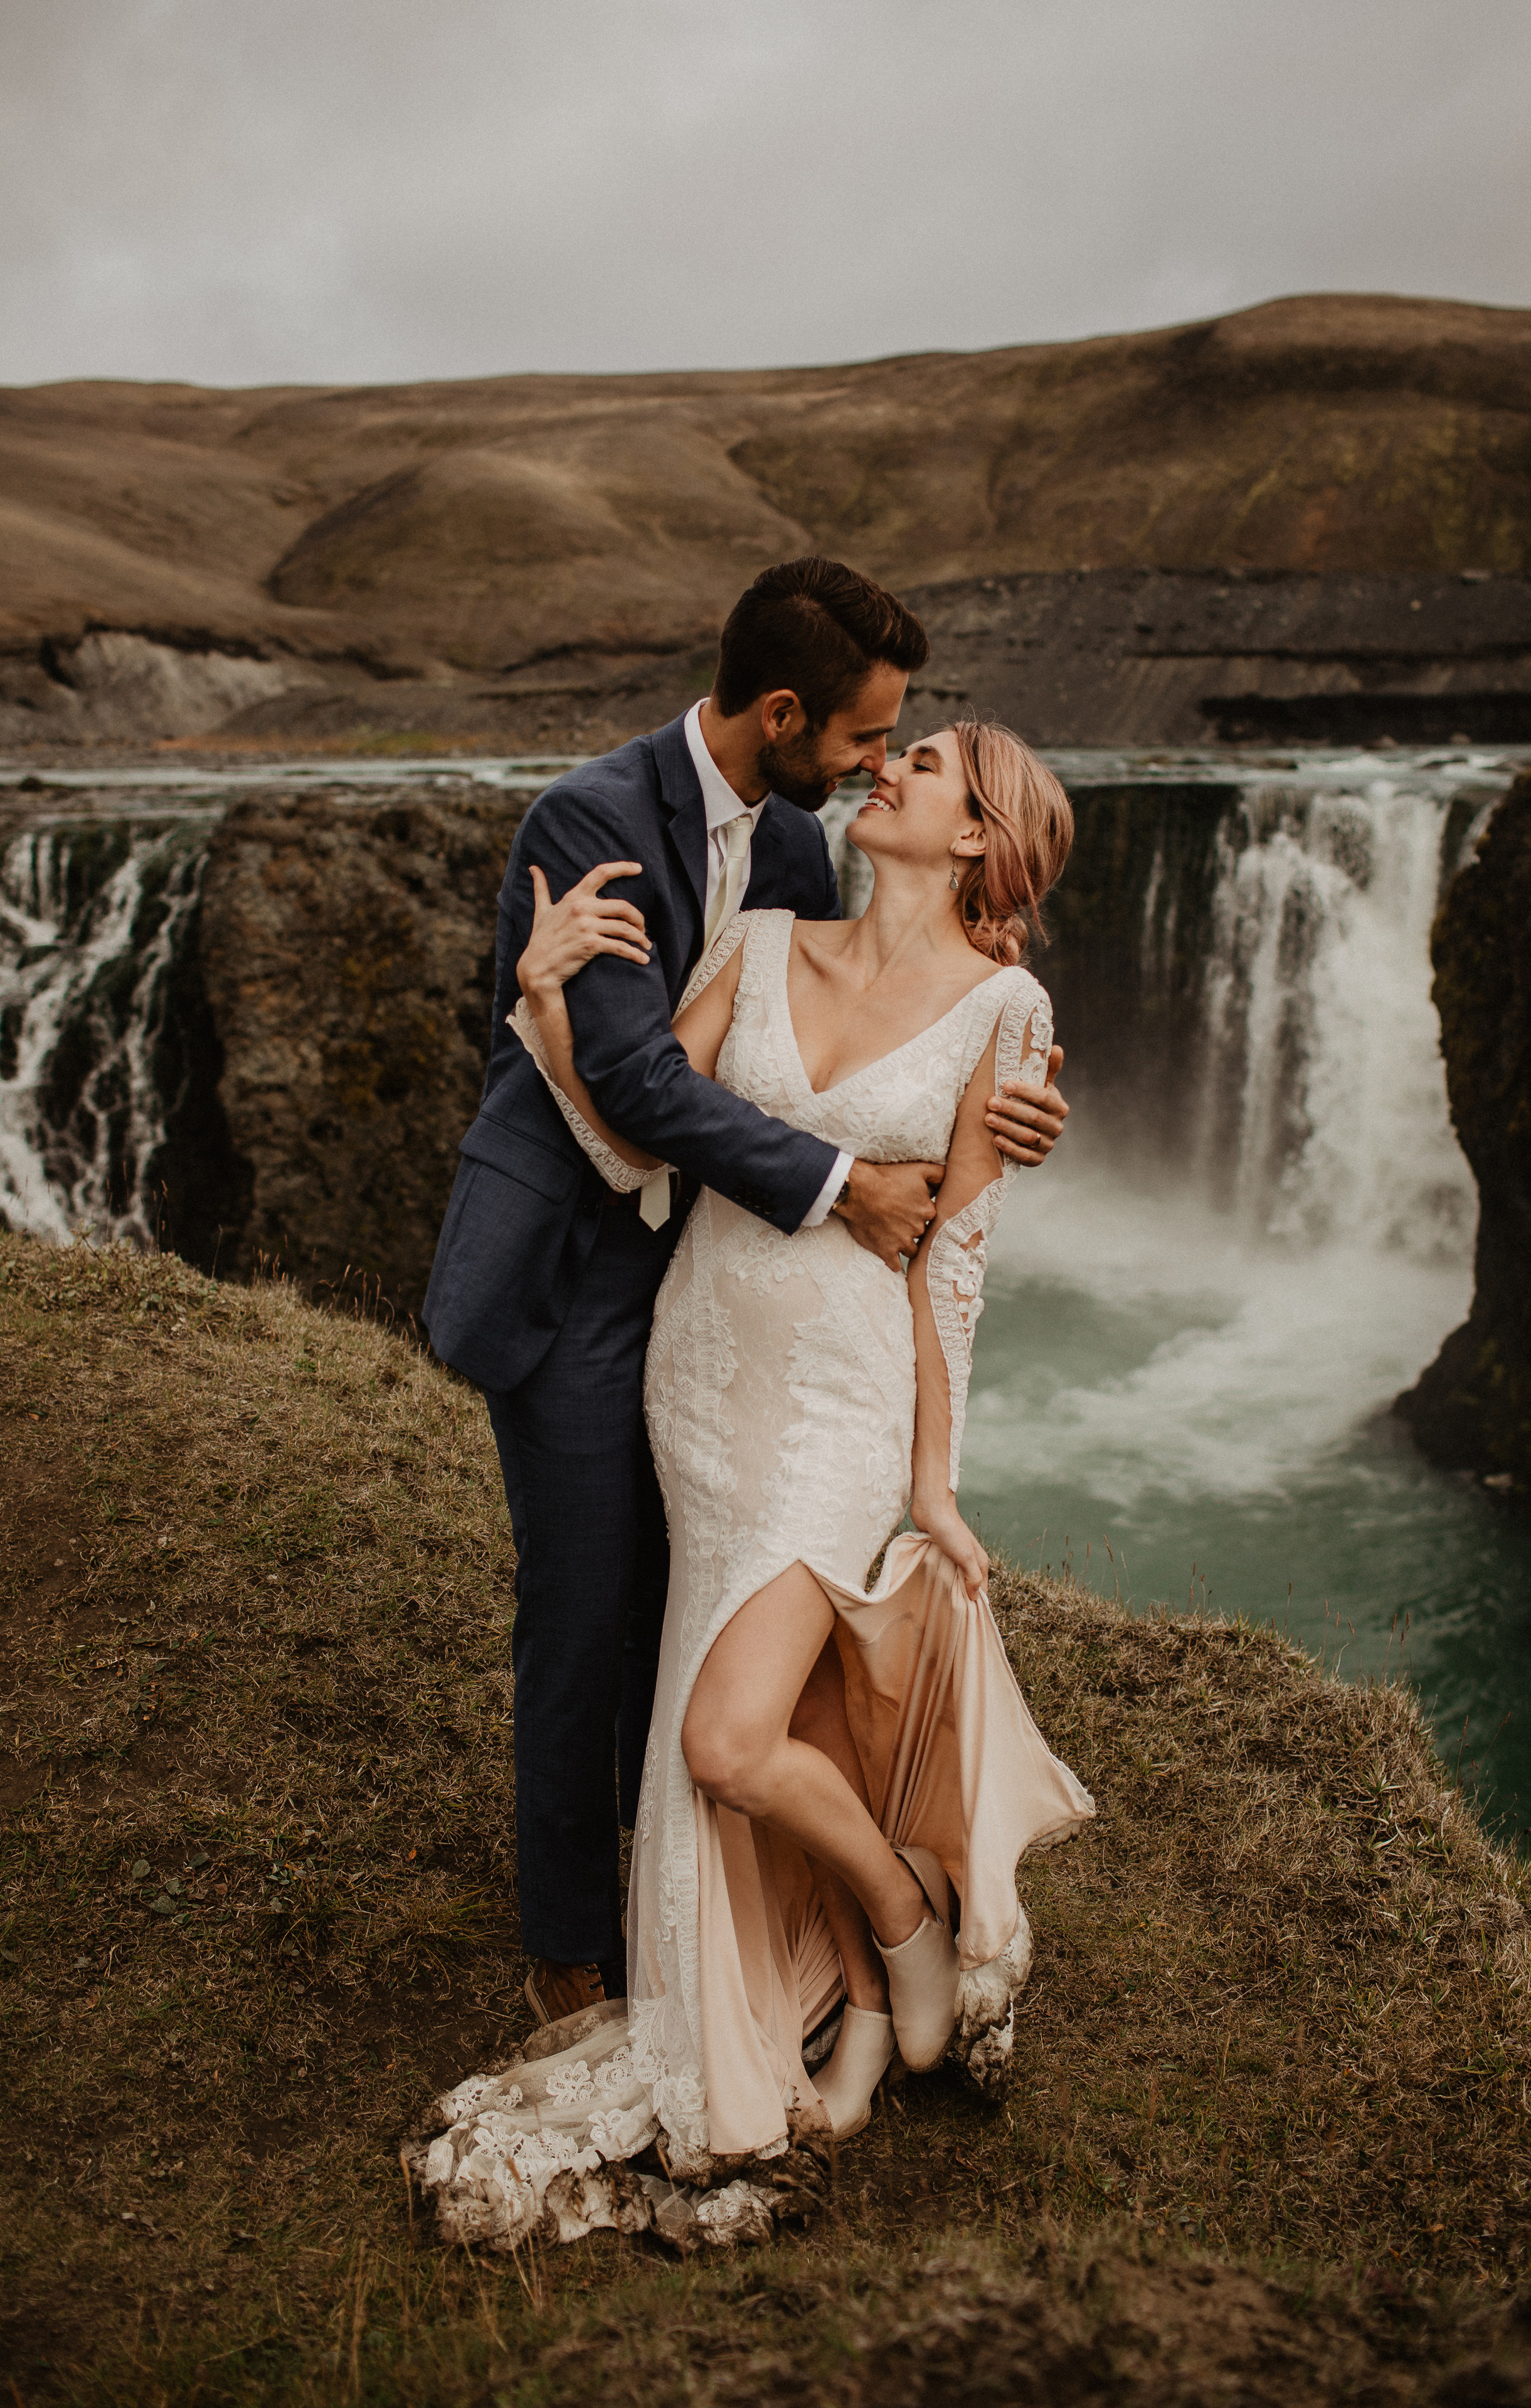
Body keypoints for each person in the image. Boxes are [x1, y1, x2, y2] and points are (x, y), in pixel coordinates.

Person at [408, 713, 1094, 2251]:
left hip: (837, 1407)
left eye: (922, 767)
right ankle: (854, 1998)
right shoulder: (768, 937)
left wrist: (934, 1479)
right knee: (756, 1724)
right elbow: (629, 1136)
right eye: (890, 748)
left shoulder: (1009, 1009)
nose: (888, 771)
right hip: (698, 1383)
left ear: (979, 836)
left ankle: (908, 1935)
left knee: (726, 1739)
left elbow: (957, 1270)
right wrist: (538, 1005)